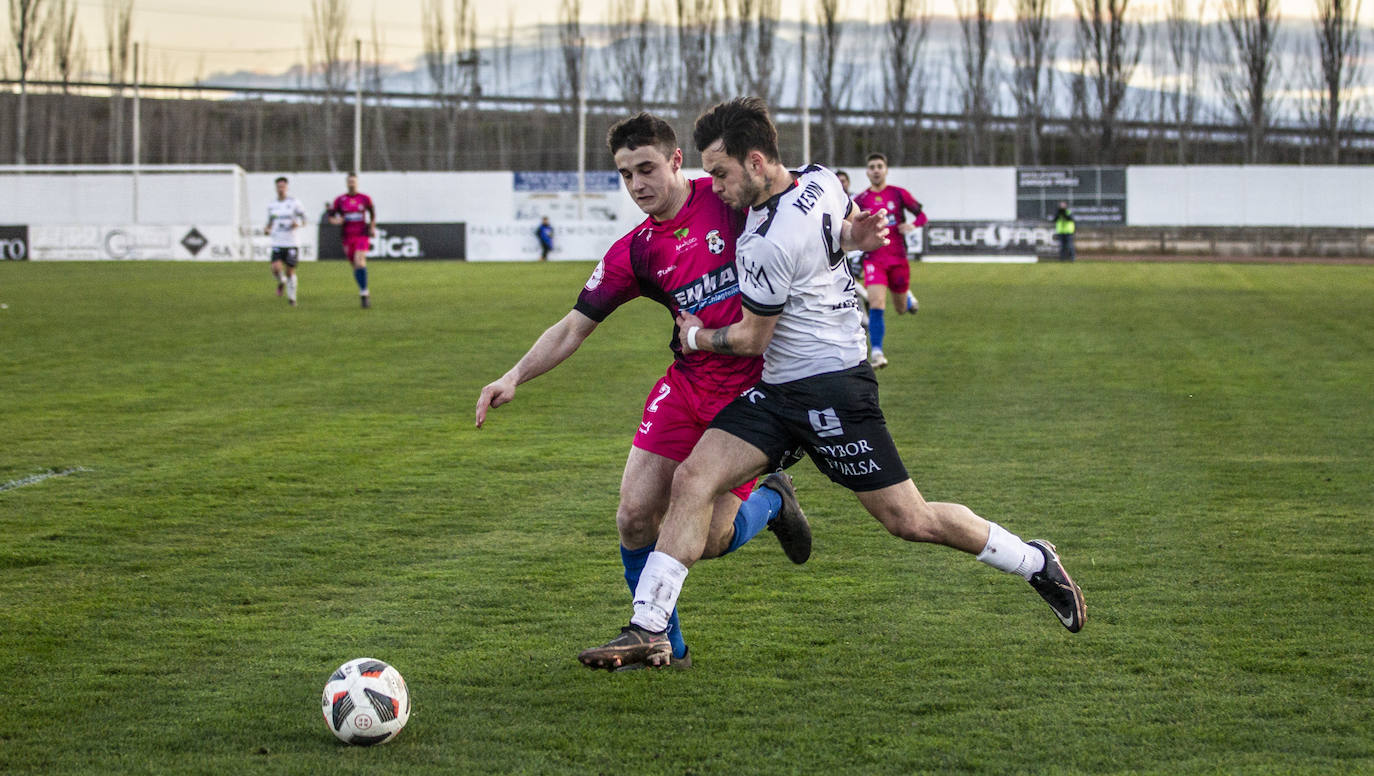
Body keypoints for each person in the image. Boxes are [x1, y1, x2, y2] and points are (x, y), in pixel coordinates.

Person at [578, 98, 1086, 670]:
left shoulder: (762, 243)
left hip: (834, 390)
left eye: (719, 173)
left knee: (909, 520)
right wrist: (854, 234)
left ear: (756, 162)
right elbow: (829, 229)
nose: (712, 186)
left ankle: (1032, 560)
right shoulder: (820, 180)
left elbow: (750, 341)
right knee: (693, 480)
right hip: (775, 394)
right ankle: (649, 628)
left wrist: (693, 338)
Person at [476, 112, 812, 670]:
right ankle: (665, 644)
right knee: (634, 516)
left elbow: (802, 199)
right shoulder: (635, 251)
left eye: (647, 169)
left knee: (705, 537)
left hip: (753, 396)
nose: (637, 186)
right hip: (687, 385)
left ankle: (775, 500)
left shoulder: (731, 199)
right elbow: (573, 326)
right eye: (626, 175)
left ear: (677, 160)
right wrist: (513, 375)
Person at [852, 152, 927, 369]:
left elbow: (922, 215)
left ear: (886, 170)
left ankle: (908, 300)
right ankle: (877, 352)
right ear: (867, 172)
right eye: (872, 167)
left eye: (879, 166)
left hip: (898, 259)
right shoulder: (861, 199)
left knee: (901, 308)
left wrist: (912, 225)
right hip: (874, 259)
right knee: (876, 303)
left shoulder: (899, 194)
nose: (876, 170)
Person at [328, 172, 376, 308]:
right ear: (346, 183)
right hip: (347, 236)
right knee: (355, 266)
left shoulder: (365, 198)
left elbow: (372, 214)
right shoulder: (340, 200)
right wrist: (338, 221)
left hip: (362, 234)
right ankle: (364, 290)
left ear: (357, 183)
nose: (351, 184)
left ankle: (364, 293)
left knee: (359, 261)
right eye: (349, 181)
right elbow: (331, 217)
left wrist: (372, 228)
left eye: (353, 181)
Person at [264, 176, 306, 307]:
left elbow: (304, 219)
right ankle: (281, 281)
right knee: (275, 268)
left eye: (283, 186)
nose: (281, 189)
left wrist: (297, 223)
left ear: (287, 188)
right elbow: (270, 222)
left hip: (292, 243)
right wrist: (267, 228)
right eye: (279, 187)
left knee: (290, 271)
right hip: (277, 242)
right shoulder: (272, 206)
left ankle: (292, 298)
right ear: (276, 188)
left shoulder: (294, 203)